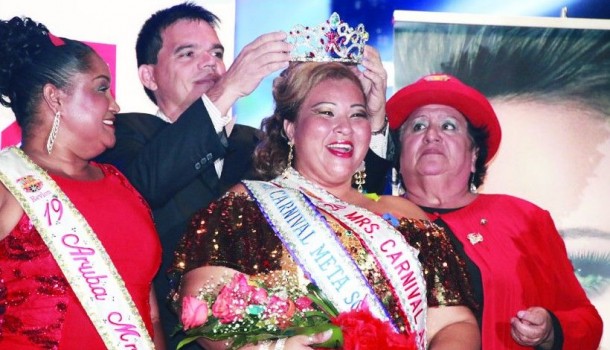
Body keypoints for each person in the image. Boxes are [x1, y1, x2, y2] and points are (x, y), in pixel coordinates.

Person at [95, 3, 394, 346]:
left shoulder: (254, 142)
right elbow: (142, 188)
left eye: (217, 52)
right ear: (148, 76)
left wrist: (374, 117)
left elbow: (340, 201)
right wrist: (227, 91)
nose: (209, 62)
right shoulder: (125, 133)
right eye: (188, 53)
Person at [169, 60, 480, 350]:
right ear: (291, 128)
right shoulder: (247, 206)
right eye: (326, 112)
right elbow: (203, 302)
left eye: (357, 114)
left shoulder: (407, 216)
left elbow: (454, 322)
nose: (344, 127)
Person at [386, 73, 603, 349]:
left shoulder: (525, 220)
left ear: (474, 153)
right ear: (399, 154)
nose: (431, 135)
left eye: (449, 126)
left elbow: (587, 321)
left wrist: (550, 329)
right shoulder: (372, 220)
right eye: (417, 126)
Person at [0, 17, 164, 349]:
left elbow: (151, 313)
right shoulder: (7, 180)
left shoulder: (120, 184)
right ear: (55, 97)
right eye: (101, 88)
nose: (115, 104)